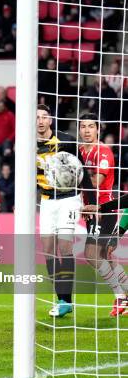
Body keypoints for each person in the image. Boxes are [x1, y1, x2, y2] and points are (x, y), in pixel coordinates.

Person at [36, 104, 95, 318]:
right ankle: (61, 297)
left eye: (44, 117)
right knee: (48, 250)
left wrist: (91, 202)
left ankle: (65, 300)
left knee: (65, 246)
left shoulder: (66, 141)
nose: (40, 121)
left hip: (68, 199)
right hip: (46, 200)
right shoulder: (27, 144)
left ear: (50, 120)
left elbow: (83, 173)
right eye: (37, 117)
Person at [78, 114, 127, 316]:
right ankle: (124, 297)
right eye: (83, 127)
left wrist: (72, 176)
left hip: (105, 210)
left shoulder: (104, 151)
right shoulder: (80, 151)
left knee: (91, 254)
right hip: (90, 210)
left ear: (98, 129)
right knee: (103, 255)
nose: (87, 130)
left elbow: (97, 181)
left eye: (91, 126)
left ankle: (120, 297)